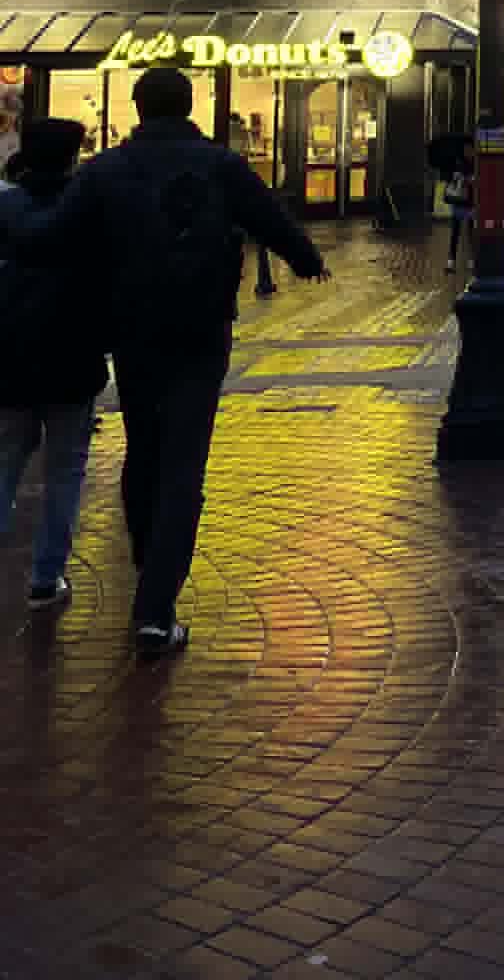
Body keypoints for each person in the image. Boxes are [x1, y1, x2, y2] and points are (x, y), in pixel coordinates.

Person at [21, 66, 328, 660]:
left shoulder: (106, 169)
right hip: (200, 329)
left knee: (144, 450)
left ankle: (148, 564)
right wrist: (307, 259)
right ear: (189, 106)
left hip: (132, 330)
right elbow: (272, 220)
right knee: (184, 462)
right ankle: (156, 608)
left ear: (138, 108)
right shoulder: (220, 165)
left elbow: (50, 235)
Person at [0, 119, 100, 610]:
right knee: (65, 471)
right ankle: (47, 574)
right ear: (72, 158)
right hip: (71, 356)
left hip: (10, 355)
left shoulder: (5, 207)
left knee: (5, 460)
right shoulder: (87, 211)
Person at [443, 136, 474, 270]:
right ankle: (451, 260)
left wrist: (472, 180)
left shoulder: (476, 163)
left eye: (470, 149)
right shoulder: (458, 163)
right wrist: (457, 177)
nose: (468, 151)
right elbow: (450, 178)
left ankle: (471, 259)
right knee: (455, 232)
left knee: (471, 233)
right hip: (459, 202)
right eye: (466, 149)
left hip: (471, 203)